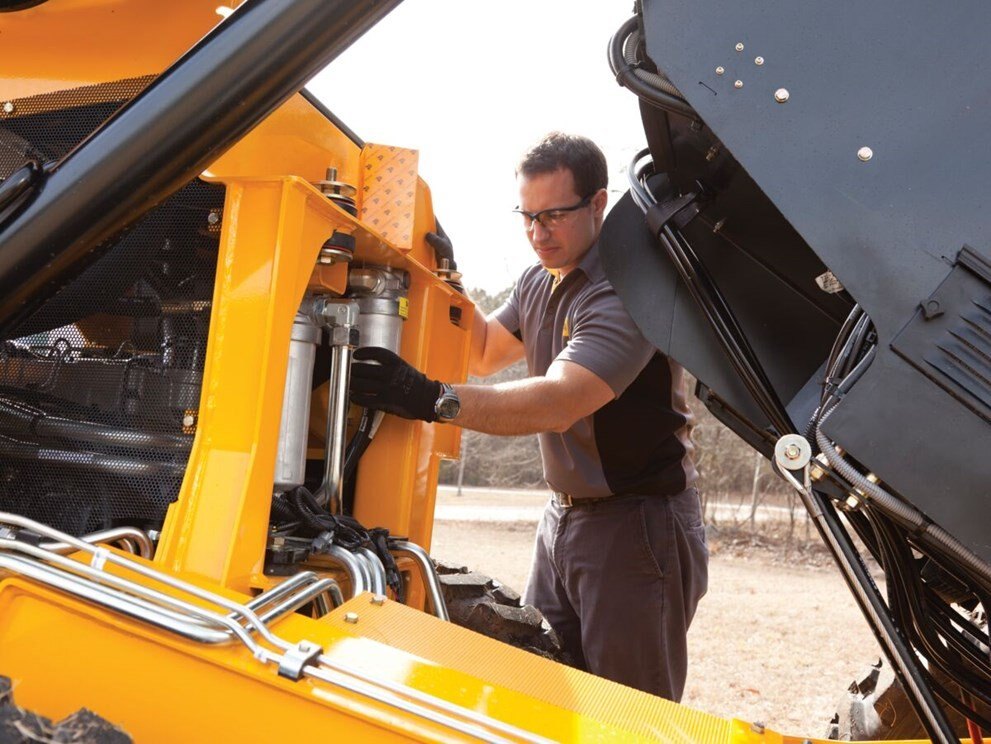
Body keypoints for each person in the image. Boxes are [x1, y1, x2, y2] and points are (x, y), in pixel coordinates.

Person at [349, 131, 707, 701]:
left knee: (628, 713)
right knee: (547, 694)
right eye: (528, 217)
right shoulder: (540, 280)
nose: (539, 233)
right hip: (562, 519)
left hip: (636, 523)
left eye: (554, 215)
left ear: (598, 203)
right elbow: (482, 349)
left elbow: (559, 402)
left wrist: (431, 399)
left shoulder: (625, 292)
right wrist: (444, 278)